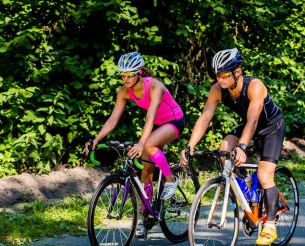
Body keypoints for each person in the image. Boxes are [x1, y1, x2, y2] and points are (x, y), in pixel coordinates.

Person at [180, 48, 285, 245]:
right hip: (248, 126)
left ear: (238, 71)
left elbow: (253, 121)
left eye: (224, 75)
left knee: (264, 175)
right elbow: (205, 117)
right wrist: (190, 145)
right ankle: (246, 187)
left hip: (271, 127)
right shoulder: (218, 89)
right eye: (217, 75)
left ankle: (270, 225)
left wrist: (243, 147)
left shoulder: (254, 86)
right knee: (224, 150)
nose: (220, 79)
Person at [83, 51, 185, 236]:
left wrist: (141, 143)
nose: (126, 78)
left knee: (148, 145)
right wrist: (96, 140)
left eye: (129, 74)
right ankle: (147, 217)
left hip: (174, 121)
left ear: (139, 72)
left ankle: (171, 179)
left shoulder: (154, 86)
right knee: (146, 171)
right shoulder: (123, 90)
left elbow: (150, 117)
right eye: (122, 74)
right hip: (157, 125)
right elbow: (113, 118)